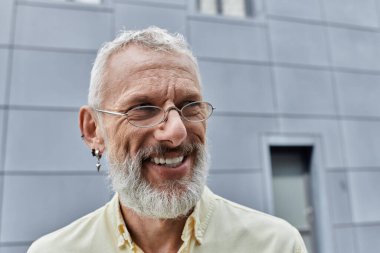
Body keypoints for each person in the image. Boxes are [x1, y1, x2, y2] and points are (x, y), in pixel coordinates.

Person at [28, 26, 307, 253]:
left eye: (190, 105)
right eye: (143, 108)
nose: (176, 132)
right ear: (93, 130)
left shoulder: (275, 245)